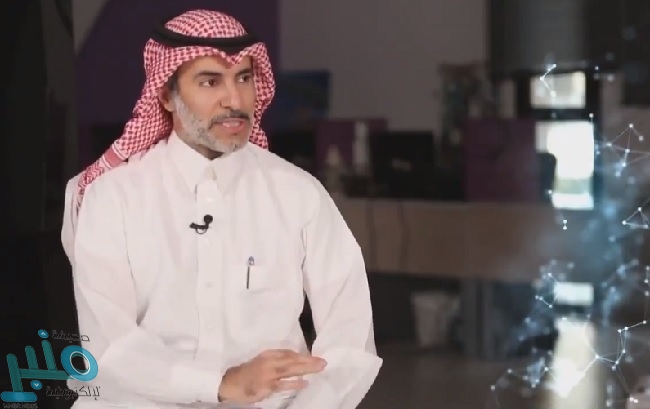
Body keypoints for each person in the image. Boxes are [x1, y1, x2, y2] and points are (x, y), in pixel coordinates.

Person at [60, 9, 382, 409]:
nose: (234, 100)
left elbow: (350, 336)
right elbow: (108, 348)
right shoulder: (113, 197)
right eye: (210, 81)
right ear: (166, 95)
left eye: (243, 78)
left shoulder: (298, 192)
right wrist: (219, 385)